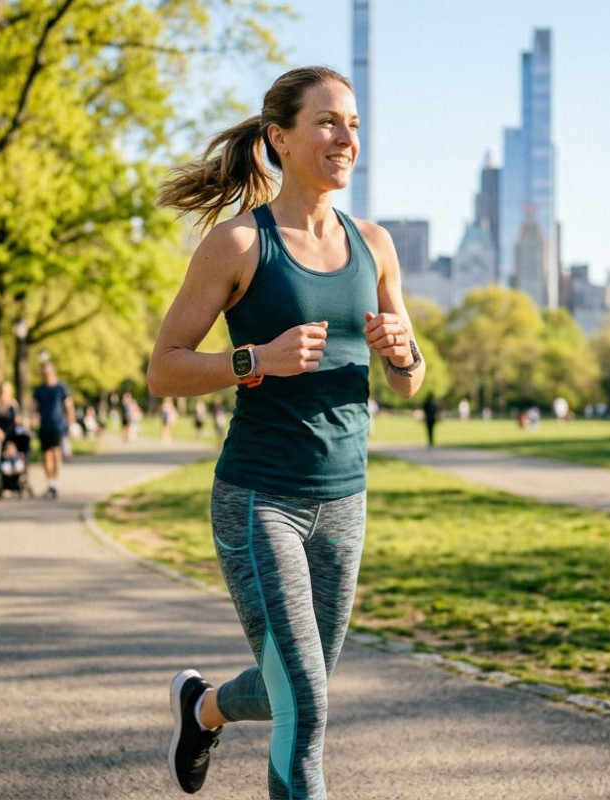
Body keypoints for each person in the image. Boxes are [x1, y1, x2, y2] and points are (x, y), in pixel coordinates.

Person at [147, 66, 424, 799]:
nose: (346, 139)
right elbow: (163, 370)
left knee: (296, 690)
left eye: (354, 125)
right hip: (259, 496)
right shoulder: (239, 243)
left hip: (345, 500)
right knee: (304, 707)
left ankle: (202, 708)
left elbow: (410, 378)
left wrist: (404, 354)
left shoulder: (375, 244)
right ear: (280, 137)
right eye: (329, 122)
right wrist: (255, 360)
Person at [32, 361, 77, 499]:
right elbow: (34, 407)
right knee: (46, 456)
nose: (46, 372)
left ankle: (55, 484)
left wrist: (71, 424)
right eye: (43, 370)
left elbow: (68, 406)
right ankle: (50, 484)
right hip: (44, 426)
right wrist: (33, 419)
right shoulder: (39, 390)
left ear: (53, 371)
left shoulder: (61, 388)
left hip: (58, 425)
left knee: (57, 454)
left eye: (48, 370)